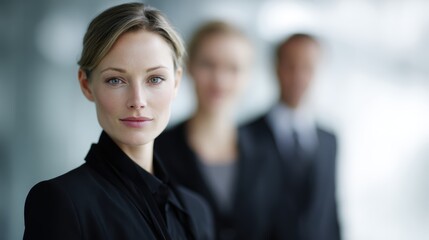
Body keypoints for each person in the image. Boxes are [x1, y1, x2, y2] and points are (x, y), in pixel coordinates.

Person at [23, 3, 213, 239]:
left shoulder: (197, 212)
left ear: (175, 82)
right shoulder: (61, 202)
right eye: (116, 80)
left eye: (155, 79)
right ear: (86, 84)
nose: (137, 101)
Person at [155, 21, 288, 240]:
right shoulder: (158, 151)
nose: (219, 80)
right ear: (188, 68)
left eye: (233, 68)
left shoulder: (268, 151)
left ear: (248, 77)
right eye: (208, 64)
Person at [243, 33, 341, 240]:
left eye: (307, 67)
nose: (298, 76)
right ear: (275, 68)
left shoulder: (329, 140)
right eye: (290, 66)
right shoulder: (245, 136)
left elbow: (331, 211)